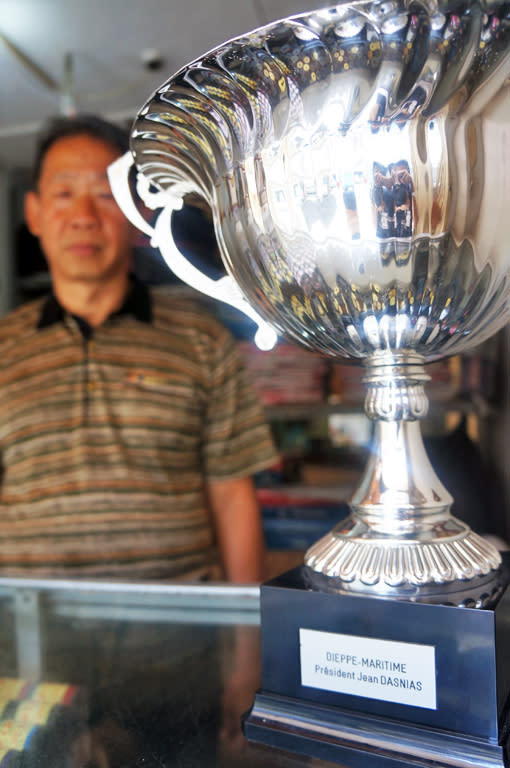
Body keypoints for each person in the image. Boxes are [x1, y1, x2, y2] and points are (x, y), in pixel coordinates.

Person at [0, 114, 278, 583]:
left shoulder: (202, 341)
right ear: (34, 213)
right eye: (64, 194)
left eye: (106, 194)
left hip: (182, 643)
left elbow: (233, 496)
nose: (84, 217)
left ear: (137, 211)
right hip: (28, 641)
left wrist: (248, 640)